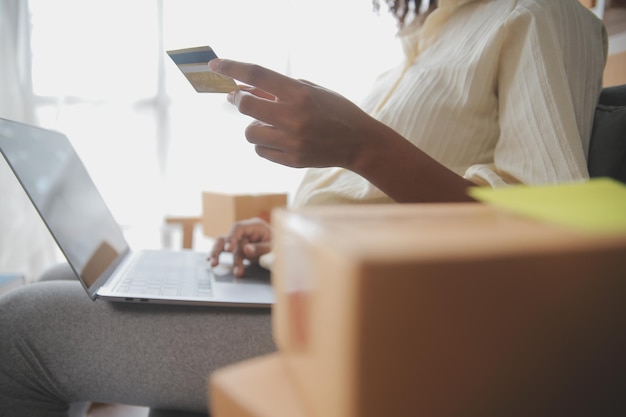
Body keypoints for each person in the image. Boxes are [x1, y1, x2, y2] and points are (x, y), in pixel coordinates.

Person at [0, 0, 607, 416]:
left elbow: (548, 237)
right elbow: (380, 212)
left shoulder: (539, 15)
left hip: (387, 317)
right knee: (62, 281)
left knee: (19, 324)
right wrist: (284, 235)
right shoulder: (420, 43)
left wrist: (362, 144)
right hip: (313, 281)